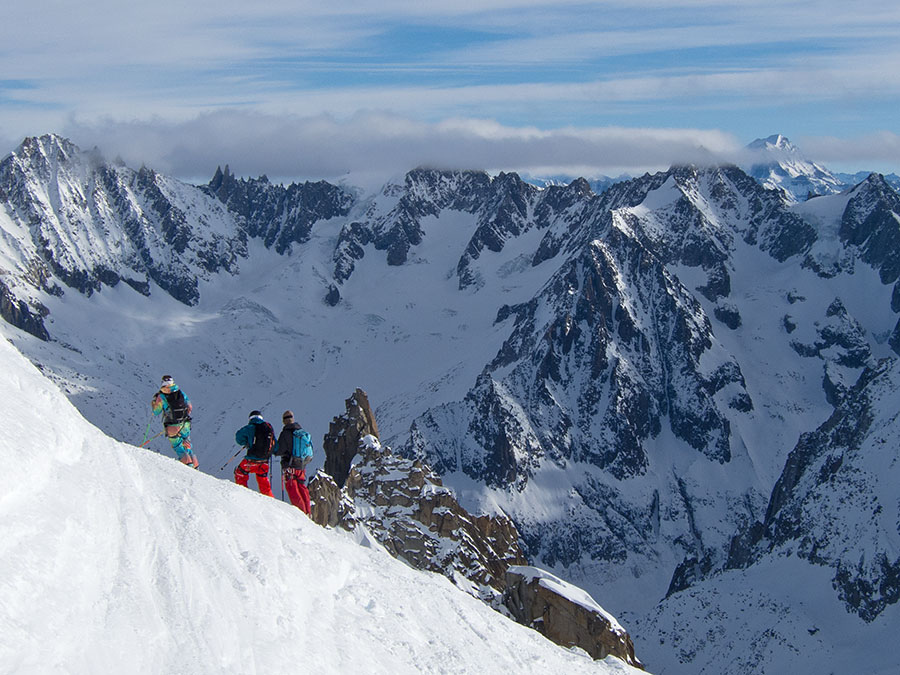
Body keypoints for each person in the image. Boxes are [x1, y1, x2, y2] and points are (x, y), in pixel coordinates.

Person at [151, 375, 199, 469]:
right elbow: (189, 407)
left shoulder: (161, 396)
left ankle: (188, 467)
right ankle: (196, 467)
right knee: (187, 446)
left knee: (178, 447)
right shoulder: (180, 392)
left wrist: (154, 403)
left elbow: (156, 411)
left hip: (172, 425)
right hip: (185, 424)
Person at [276, 410, 312, 515]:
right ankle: (308, 511)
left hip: (290, 465)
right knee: (302, 487)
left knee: (293, 489)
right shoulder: (301, 432)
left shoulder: (285, 433)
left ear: (284, 421)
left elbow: (279, 450)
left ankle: (301, 513)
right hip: (301, 466)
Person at [234, 410, 275, 497]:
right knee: (263, 481)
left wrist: (246, 442)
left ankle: (243, 496)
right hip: (264, 461)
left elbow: (238, 437)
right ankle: (270, 501)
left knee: (240, 473)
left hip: (251, 460)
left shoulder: (250, 427)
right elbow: (276, 445)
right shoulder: (268, 428)